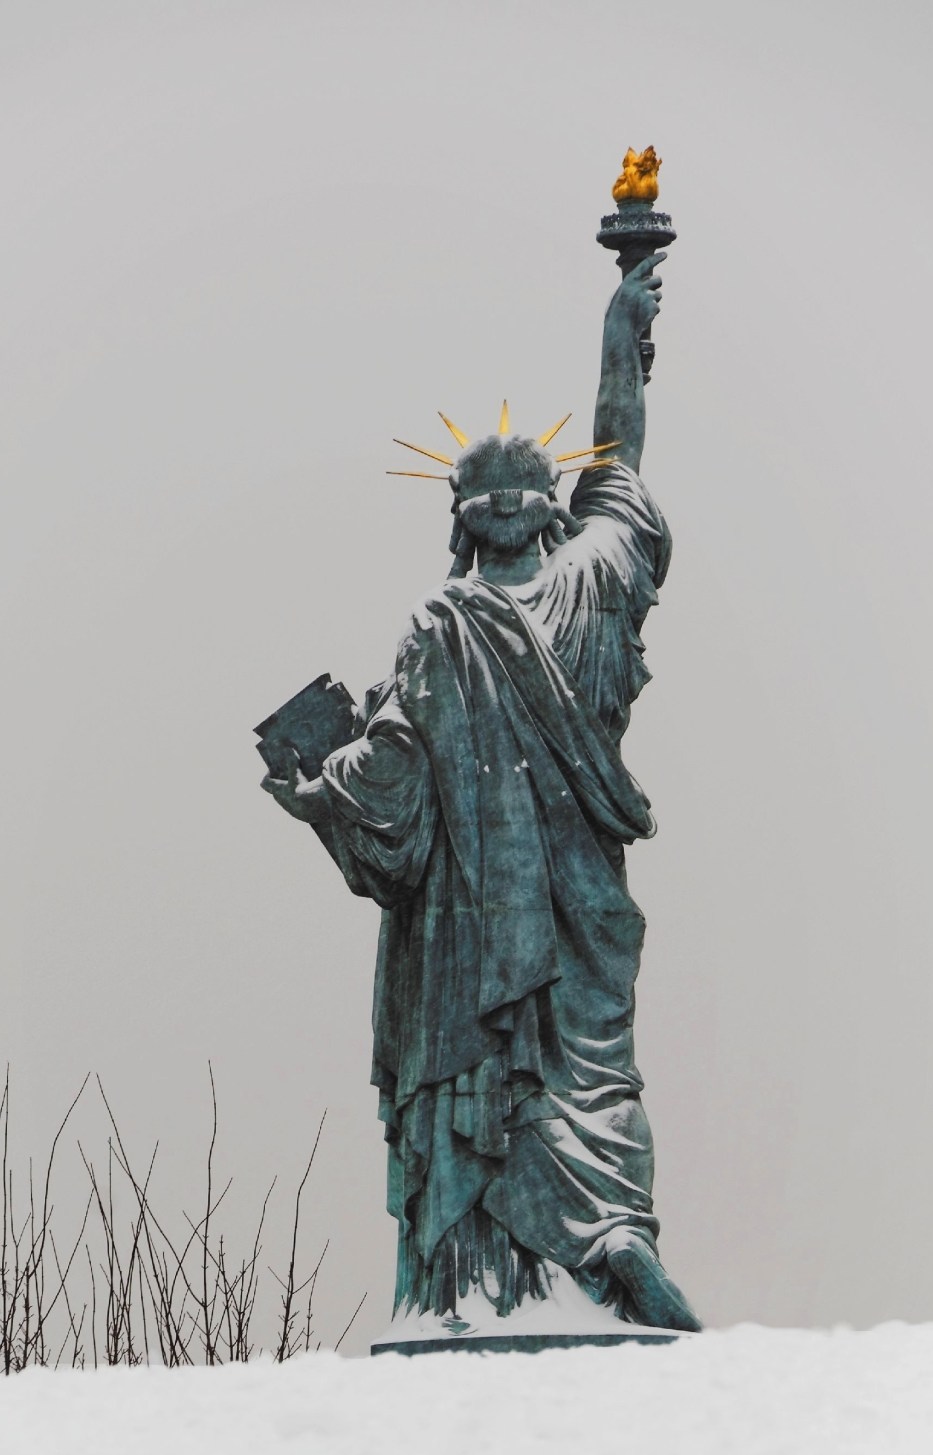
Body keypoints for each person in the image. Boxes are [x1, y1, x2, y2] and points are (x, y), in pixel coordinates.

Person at [263, 252, 699, 1333]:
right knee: (590, 1074)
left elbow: (393, 782)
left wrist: (315, 788)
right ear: (547, 509)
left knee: (485, 1083)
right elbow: (620, 454)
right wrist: (622, 332)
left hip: (468, 939)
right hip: (580, 911)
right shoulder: (593, 585)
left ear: (461, 518)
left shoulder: (439, 625)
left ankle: (481, 1288)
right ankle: (609, 1233)